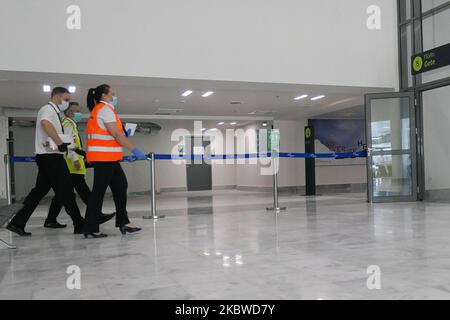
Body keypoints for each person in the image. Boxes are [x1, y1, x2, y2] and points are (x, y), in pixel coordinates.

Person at [7, 87, 85, 236]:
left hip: (48, 156)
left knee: (38, 192)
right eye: (66, 99)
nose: (66, 103)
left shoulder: (55, 112)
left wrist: (71, 148)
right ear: (56, 96)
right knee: (66, 190)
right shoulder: (48, 109)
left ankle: (17, 223)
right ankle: (79, 223)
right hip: (51, 158)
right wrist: (60, 143)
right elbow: (45, 124)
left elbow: (54, 135)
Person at [83, 84, 146, 238]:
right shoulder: (105, 109)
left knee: (120, 186)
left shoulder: (100, 110)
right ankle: (91, 228)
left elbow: (114, 134)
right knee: (98, 193)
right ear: (104, 96)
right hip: (104, 159)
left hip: (109, 158)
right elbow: (116, 135)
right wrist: (134, 150)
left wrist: (123, 135)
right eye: (112, 94)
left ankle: (124, 222)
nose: (114, 97)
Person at [44, 102, 116, 229]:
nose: (78, 113)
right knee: (84, 192)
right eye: (75, 111)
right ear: (69, 112)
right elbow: (68, 144)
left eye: (78, 111)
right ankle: (97, 215)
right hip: (71, 165)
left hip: (70, 165)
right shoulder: (68, 124)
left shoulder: (69, 124)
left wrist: (82, 156)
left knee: (61, 195)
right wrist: (76, 159)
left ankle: (50, 219)